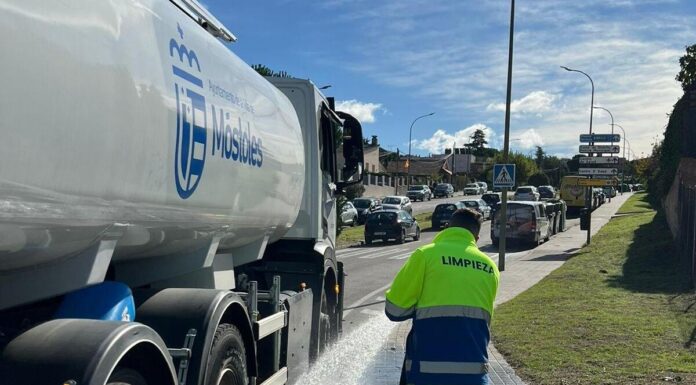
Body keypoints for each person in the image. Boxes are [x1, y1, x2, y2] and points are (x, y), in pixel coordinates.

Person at [385, 208, 500, 385]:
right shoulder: (490, 267)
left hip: (427, 374)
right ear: (476, 239)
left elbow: (394, 310)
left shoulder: (425, 255)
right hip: (475, 376)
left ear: (446, 228)